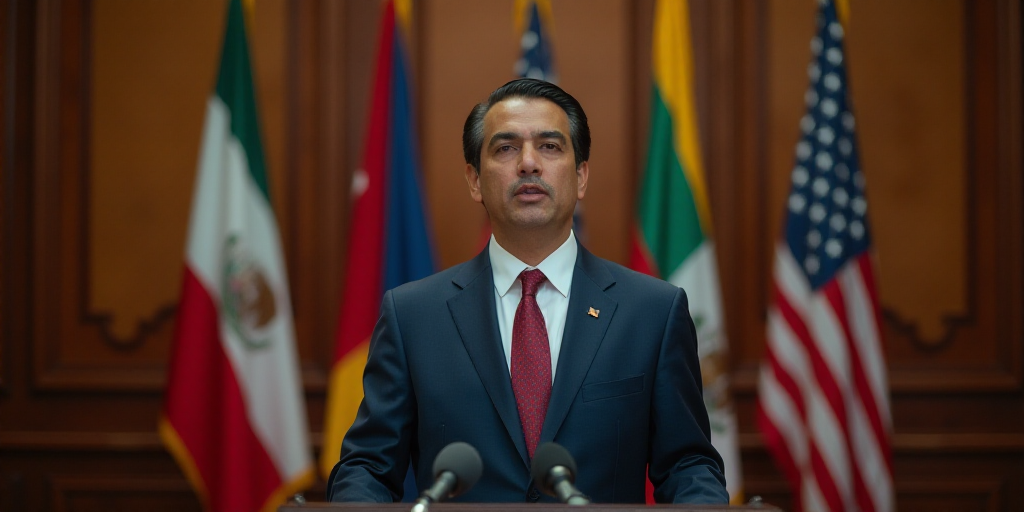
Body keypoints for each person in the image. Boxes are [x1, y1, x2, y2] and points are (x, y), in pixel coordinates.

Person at [326, 78, 728, 504]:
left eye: (550, 146)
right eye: (506, 148)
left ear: (581, 176)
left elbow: (688, 465)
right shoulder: (413, 316)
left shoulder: (652, 312)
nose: (529, 163)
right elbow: (367, 466)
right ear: (474, 180)